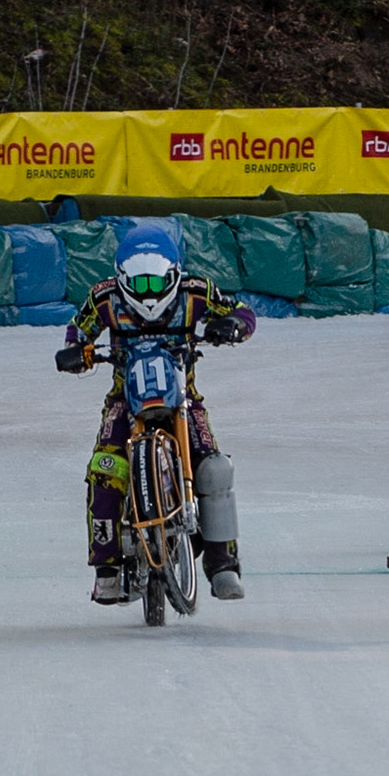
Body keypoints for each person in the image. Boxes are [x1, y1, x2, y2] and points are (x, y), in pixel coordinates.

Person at [56, 225, 256, 605]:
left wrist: (231, 326)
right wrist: (78, 353)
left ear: (173, 275)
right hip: (124, 399)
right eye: (139, 283)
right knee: (104, 469)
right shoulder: (103, 298)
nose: (148, 292)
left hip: (183, 398)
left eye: (155, 282)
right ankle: (107, 569)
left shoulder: (198, 292)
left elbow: (242, 312)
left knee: (214, 467)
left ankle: (222, 562)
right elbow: (77, 331)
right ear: (122, 278)